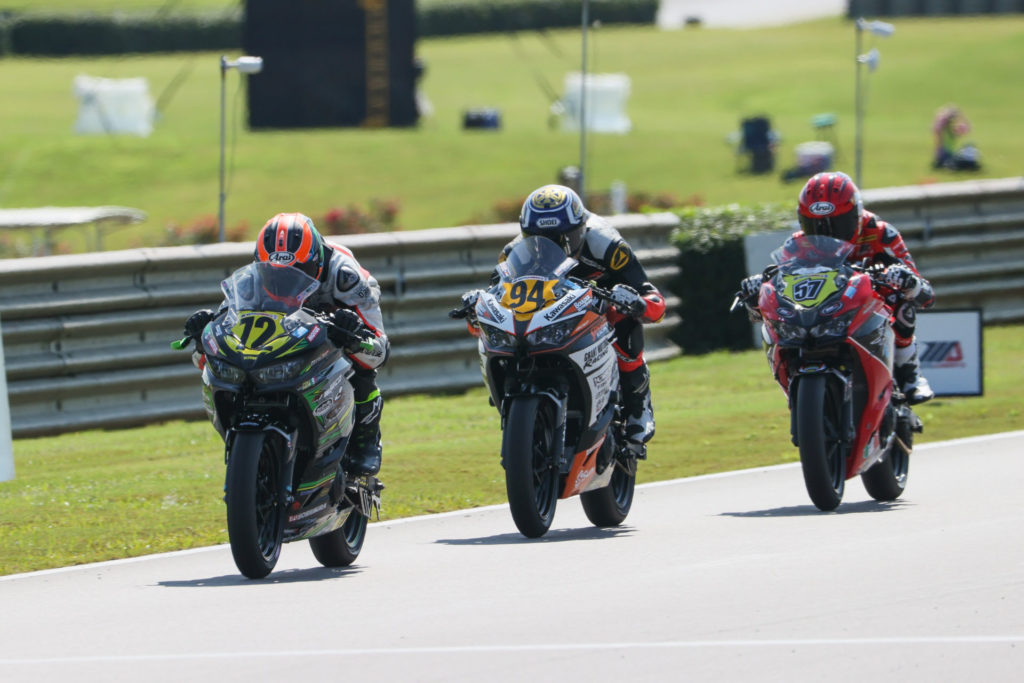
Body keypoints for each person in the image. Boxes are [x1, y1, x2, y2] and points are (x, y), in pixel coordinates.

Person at [183, 213, 389, 475]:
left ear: (316, 261)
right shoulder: (252, 279)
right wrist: (204, 336)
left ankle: (366, 442)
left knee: (361, 366)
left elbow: (379, 350)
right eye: (275, 274)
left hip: (335, 315)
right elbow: (226, 328)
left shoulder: (346, 277)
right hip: (287, 325)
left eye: (298, 272)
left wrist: (352, 335)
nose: (284, 280)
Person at [481, 184, 667, 447]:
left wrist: (637, 303)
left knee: (623, 319)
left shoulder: (607, 245)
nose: (547, 246)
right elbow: (498, 291)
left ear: (580, 230)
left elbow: (652, 297)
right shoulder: (513, 252)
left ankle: (638, 406)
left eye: (560, 239)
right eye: (538, 239)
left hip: (600, 303)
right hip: (551, 309)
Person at [739, 172, 935, 404]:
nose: (827, 234)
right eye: (817, 226)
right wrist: (757, 291)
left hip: (869, 303)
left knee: (901, 303)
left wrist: (906, 281)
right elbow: (780, 284)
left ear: (856, 216)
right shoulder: (797, 244)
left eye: (837, 225)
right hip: (823, 311)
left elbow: (923, 290)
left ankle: (910, 375)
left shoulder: (881, 233)